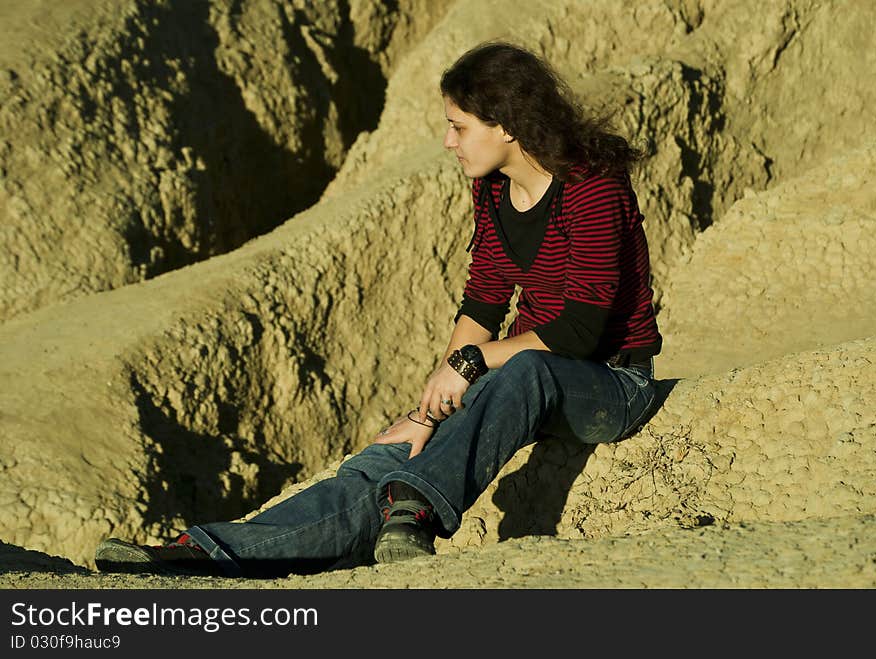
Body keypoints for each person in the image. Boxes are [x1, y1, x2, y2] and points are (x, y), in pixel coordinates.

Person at [95, 41, 662, 578]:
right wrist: (431, 406)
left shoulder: (593, 188)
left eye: (459, 126)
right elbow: (484, 298)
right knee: (391, 453)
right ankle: (212, 550)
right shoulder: (493, 190)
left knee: (520, 373)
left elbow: (582, 331)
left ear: (507, 124)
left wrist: (471, 362)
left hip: (610, 382)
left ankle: (416, 506)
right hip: (515, 378)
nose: (449, 141)